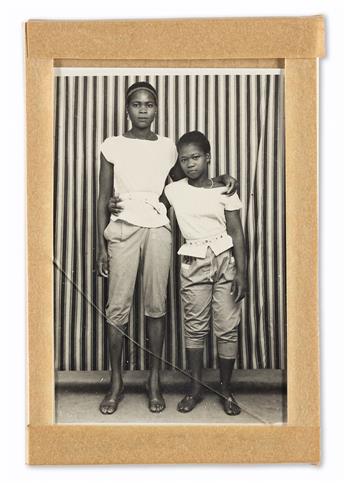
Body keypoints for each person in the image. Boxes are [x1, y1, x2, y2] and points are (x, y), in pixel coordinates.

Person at [97, 82, 238, 415]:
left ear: (157, 108)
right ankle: (116, 382)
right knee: (117, 309)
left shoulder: (168, 148)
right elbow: (103, 197)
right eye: (136, 104)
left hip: (158, 229)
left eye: (149, 104)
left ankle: (154, 380)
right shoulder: (112, 145)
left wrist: (223, 176)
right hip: (122, 227)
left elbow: (189, 183)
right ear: (127, 109)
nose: (143, 109)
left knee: (156, 306)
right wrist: (100, 245)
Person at [163, 130, 247, 415]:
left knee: (226, 326)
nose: (190, 164)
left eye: (196, 157)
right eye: (184, 159)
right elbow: (160, 183)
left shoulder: (226, 190)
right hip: (193, 260)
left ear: (208, 157)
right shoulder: (174, 190)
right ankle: (196, 388)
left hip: (225, 260)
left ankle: (225, 389)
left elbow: (237, 232)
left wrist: (242, 274)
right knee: (195, 326)